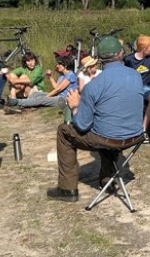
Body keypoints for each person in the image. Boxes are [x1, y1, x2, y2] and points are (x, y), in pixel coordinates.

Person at [46, 36, 143, 202]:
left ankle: (67, 189)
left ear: (98, 60)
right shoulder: (136, 76)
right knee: (106, 126)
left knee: (64, 131)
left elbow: (82, 125)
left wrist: (76, 105)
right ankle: (108, 179)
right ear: (121, 54)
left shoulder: (94, 86)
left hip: (109, 138)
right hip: (135, 136)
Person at [123, 34, 150, 143]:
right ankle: (128, 128)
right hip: (132, 87)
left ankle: (143, 128)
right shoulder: (128, 59)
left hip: (146, 87)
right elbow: (123, 76)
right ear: (144, 49)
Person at [7, 55, 77, 109]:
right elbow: (56, 87)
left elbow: (57, 90)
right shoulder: (62, 75)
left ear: (65, 65)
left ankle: (17, 102)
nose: (57, 66)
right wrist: (50, 76)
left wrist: (47, 97)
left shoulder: (70, 75)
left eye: (59, 64)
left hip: (64, 99)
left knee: (42, 99)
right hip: (59, 95)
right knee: (36, 94)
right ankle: (29, 104)